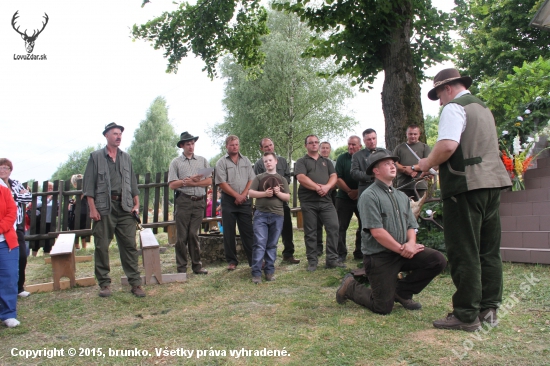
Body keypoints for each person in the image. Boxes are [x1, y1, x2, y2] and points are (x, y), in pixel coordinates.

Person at [418, 68, 511, 331]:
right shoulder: (482, 108)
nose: (439, 102)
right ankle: (489, 309)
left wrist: (427, 162)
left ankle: (466, 314)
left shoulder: (454, 107)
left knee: (464, 251)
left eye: (438, 95)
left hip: (466, 188)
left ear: (447, 88)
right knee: (488, 251)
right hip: (492, 184)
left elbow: (448, 145)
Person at [336, 149, 447, 315]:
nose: (393, 166)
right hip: (380, 257)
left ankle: (402, 292)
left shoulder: (401, 196)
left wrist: (410, 243)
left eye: (393, 163)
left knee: (437, 260)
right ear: (376, 170)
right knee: (382, 307)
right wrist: (403, 249)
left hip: (403, 251)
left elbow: (411, 225)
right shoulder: (369, 196)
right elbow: (377, 232)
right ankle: (350, 286)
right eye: (386, 164)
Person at [83, 122, 145, 298]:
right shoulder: (95, 157)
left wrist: (136, 204)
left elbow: (133, 183)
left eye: (120, 134)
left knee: (129, 246)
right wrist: (92, 209)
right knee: (102, 246)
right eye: (115, 134)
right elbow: (88, 185)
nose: (118, 137)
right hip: (104, 208)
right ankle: (104, 283)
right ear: (106, 136)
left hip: (125, 207)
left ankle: (135, 283)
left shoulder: (126, 157)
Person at [295, 135, 345, 271]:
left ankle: (332, 260)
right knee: (311, 231)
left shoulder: (326, 162)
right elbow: (301, 177)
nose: (314, 145)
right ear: (306, 145)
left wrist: (327, 187)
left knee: (334, 226)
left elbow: (334, 176)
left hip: (326, 200)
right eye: (311, 143)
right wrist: (318, 188)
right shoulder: (301, 161)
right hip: (309, 201)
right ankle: (312, 261)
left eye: (316, 142)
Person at [168, 131, 210, 275]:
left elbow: (209, 180)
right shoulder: (176, 162)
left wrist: (196, 182)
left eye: (192, 143)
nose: (191, 146)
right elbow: (172, 184)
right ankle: (181, 268)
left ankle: (197, 266)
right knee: (182, 237)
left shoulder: (202, 160)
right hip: (184, 201)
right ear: (182, 146)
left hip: (199, 202)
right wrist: (186, 182)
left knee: (193, 234)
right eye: (188, 144)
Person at [253, 138, 300, 264]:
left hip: (282, 201)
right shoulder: (258, 164)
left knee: (287, 228)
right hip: (265, 203)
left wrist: (279, 189)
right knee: (265, 233)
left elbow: (287, 179)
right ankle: (263, 259)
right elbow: (257, 183)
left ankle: (288, 254)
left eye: (271, 145)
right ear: (261, 149)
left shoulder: (282, 161)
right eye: (266, 146)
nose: (269, 148)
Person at [249, 152, 291, 284]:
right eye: (265, 161)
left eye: (270, 160)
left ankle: (269, 271)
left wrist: (278, 193)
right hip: (261, 214)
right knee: (260, 243)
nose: (268, 163)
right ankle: (256, 273)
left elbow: (288, 197)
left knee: (272, 244)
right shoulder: (259, 177)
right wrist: (264, 194)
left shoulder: (282, 178)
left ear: (276, 161)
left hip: (277, 215)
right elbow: (250, 193)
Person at [215, 135, 255, 270]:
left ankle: (253, 260)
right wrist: (236, 195)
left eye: (237, 144)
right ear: (227, 146)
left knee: (248, 231)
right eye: (232, 145)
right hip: (228, 201)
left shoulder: (246, 161)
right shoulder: (221, 162)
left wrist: (243, 195)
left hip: (244, 200)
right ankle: (232, 261)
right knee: (229, 232)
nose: (235, 147)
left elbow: (251, 179)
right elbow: (221, 182)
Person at [0, 158, 32, 298]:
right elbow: (21, 197)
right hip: (2, 225)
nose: (3, 170)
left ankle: (19, 287)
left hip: (16, 226)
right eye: (0, 167)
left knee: (21, 256)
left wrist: (13, 196)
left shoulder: (15, 184)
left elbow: (28, 198)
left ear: (10, 170)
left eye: (6, 168)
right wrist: (18, 196)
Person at [334, 136, 363, 261]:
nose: (351, 147)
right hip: (343, 198)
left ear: (360, 146)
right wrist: (349, 191)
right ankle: (341, 254)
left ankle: (360, 252)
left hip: (362, 197)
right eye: (349, 144)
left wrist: (358, 191)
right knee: (340, 227)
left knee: (364, 226)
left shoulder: (365, 158)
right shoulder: (342, 158)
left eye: (354, 144)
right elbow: (338, 178)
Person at [0, 178, 20, 328]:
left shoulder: (3, 188)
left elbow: (12, 211)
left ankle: (8, 314)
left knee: (10, 276)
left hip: (5, 241)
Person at [393, 125, 432, 200]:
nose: (413, 136)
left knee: (419, 210)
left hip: (420, 185)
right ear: (406, 134)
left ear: (419, 134)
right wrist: (405, 170)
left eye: (415, 134)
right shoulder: (399, 148)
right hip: (403, 185)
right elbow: (394, 164)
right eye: (410, 134)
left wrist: (412, 168)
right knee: (404, 210)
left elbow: (428, 163)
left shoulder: (424, 147)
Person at [317, 141, 336, 256]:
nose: (325, 150)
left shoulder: (333, 163)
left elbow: (336, 178)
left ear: (330, 150)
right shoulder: (315, 162)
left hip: (332, 194)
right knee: (317, 224)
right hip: (317, 194)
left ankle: (333, 250)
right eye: (323, 148)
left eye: (327, 148)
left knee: (332, 224)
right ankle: (318, 248)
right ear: (319, 149)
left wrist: (328, 188)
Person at [351, 128, 378, 198]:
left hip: (384, 189)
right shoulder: (357, 156)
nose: (372, 141)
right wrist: (372, 176)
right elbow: (354, 173)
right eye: (369, 139)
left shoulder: (385, 153)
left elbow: (394, 167)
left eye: (374, 138)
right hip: (366, 190)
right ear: (364, 141)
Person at [68, 174, 90, 250]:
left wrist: (74, 202)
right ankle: (84, 247)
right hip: (85, 210)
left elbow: (78, 200)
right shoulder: (86, 188)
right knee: (83, 228)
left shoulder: (81, 190)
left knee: (75, 228)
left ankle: (77, 247)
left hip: (80, 210)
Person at [34, 182, 54, 256]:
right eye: (48, 187)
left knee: (48, 239)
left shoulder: (54, 198)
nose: (50, 189)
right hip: (39, 221)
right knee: (37, 238)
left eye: (51, 188)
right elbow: (38, 204)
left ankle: (46, 254)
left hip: (50, 221)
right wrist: (48, 199)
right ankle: (34, 254)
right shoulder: (39, 196)